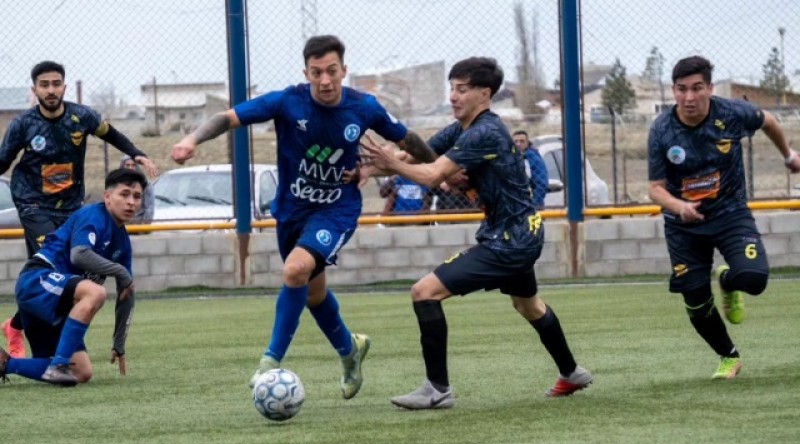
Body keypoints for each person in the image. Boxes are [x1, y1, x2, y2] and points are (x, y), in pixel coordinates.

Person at [170, 35, 438, 399]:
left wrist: (416, 167)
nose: (325, 80)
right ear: (306, 72)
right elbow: (227, 116)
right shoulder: (287, 101)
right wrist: (191, 140)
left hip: (337, 208)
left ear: (344, 70)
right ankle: (350, 351)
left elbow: (411, 145)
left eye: (331, 71)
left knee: (295, 270)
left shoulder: (365, 108)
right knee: (313, 293)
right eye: (316, 73)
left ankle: (270, 360)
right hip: (292, 211)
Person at [360, 57, 592, 410]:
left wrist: (390, 164)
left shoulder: (484, 132)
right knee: (529, 306)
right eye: (451, 88)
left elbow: (432, 175)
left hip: (510, 241)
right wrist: (380, 162)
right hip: (522, 232)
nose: (453, 96)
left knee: (424, 292)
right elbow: (424, 151)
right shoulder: (467, 127)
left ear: (485, 94)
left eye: (462, 89)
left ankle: (437, 389)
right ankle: (572, 372)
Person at [647, 55, 800, 380]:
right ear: (673, 91)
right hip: (683, 226)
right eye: (681, 89)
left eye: (697, 88)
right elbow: (655, 189)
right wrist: (679, 207)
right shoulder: (661, 130)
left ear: (709, 88)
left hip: (730, 214)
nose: (689, 97)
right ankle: (728, 357)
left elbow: (769, 121)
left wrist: (789, 156)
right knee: (694, 297)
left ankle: (729, 281)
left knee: (755, 280)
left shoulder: (731, 113)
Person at [0, 61, 158, 359]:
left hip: (71, 205)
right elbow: (3, 161)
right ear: (34, 90)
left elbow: (111, 133)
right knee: (53, 270)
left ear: (64, 86)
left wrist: (136, 153)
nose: (51, 90)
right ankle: (48, 350)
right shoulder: (23, 124)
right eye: (44, 85)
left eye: (56, 83)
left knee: (67, 273)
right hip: (33, 203)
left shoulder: (81, 116)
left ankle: (17, 325)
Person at [0, 168, 147, 385]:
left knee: (81, 373)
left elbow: (127, 291)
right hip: (37, 279)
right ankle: (57, 364)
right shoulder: (93, 215)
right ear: (107, 197)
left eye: (137, 197)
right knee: (96, 292)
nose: (131, 202)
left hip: (57, 303)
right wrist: (120, 272)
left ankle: (6, 364)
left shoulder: (122, 242)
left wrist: (119, 343)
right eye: (124, 194)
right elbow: (79, 255)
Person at [512, 130, 549, 209]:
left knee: (534, 221)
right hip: (513, 206)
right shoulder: (509, 159)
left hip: (531, 205)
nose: (518, 144)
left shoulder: (533, 158)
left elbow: (541, 183)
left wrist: (534, 204)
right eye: (516, 141)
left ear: (527, 143)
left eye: (522, 141)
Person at [120, 155, 155, 224]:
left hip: (138, 224)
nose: (130, 168)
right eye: (127, 165)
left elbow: (149, 207)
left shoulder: (145, 184)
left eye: (133, 165)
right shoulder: (116, 184)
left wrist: (145, 225)